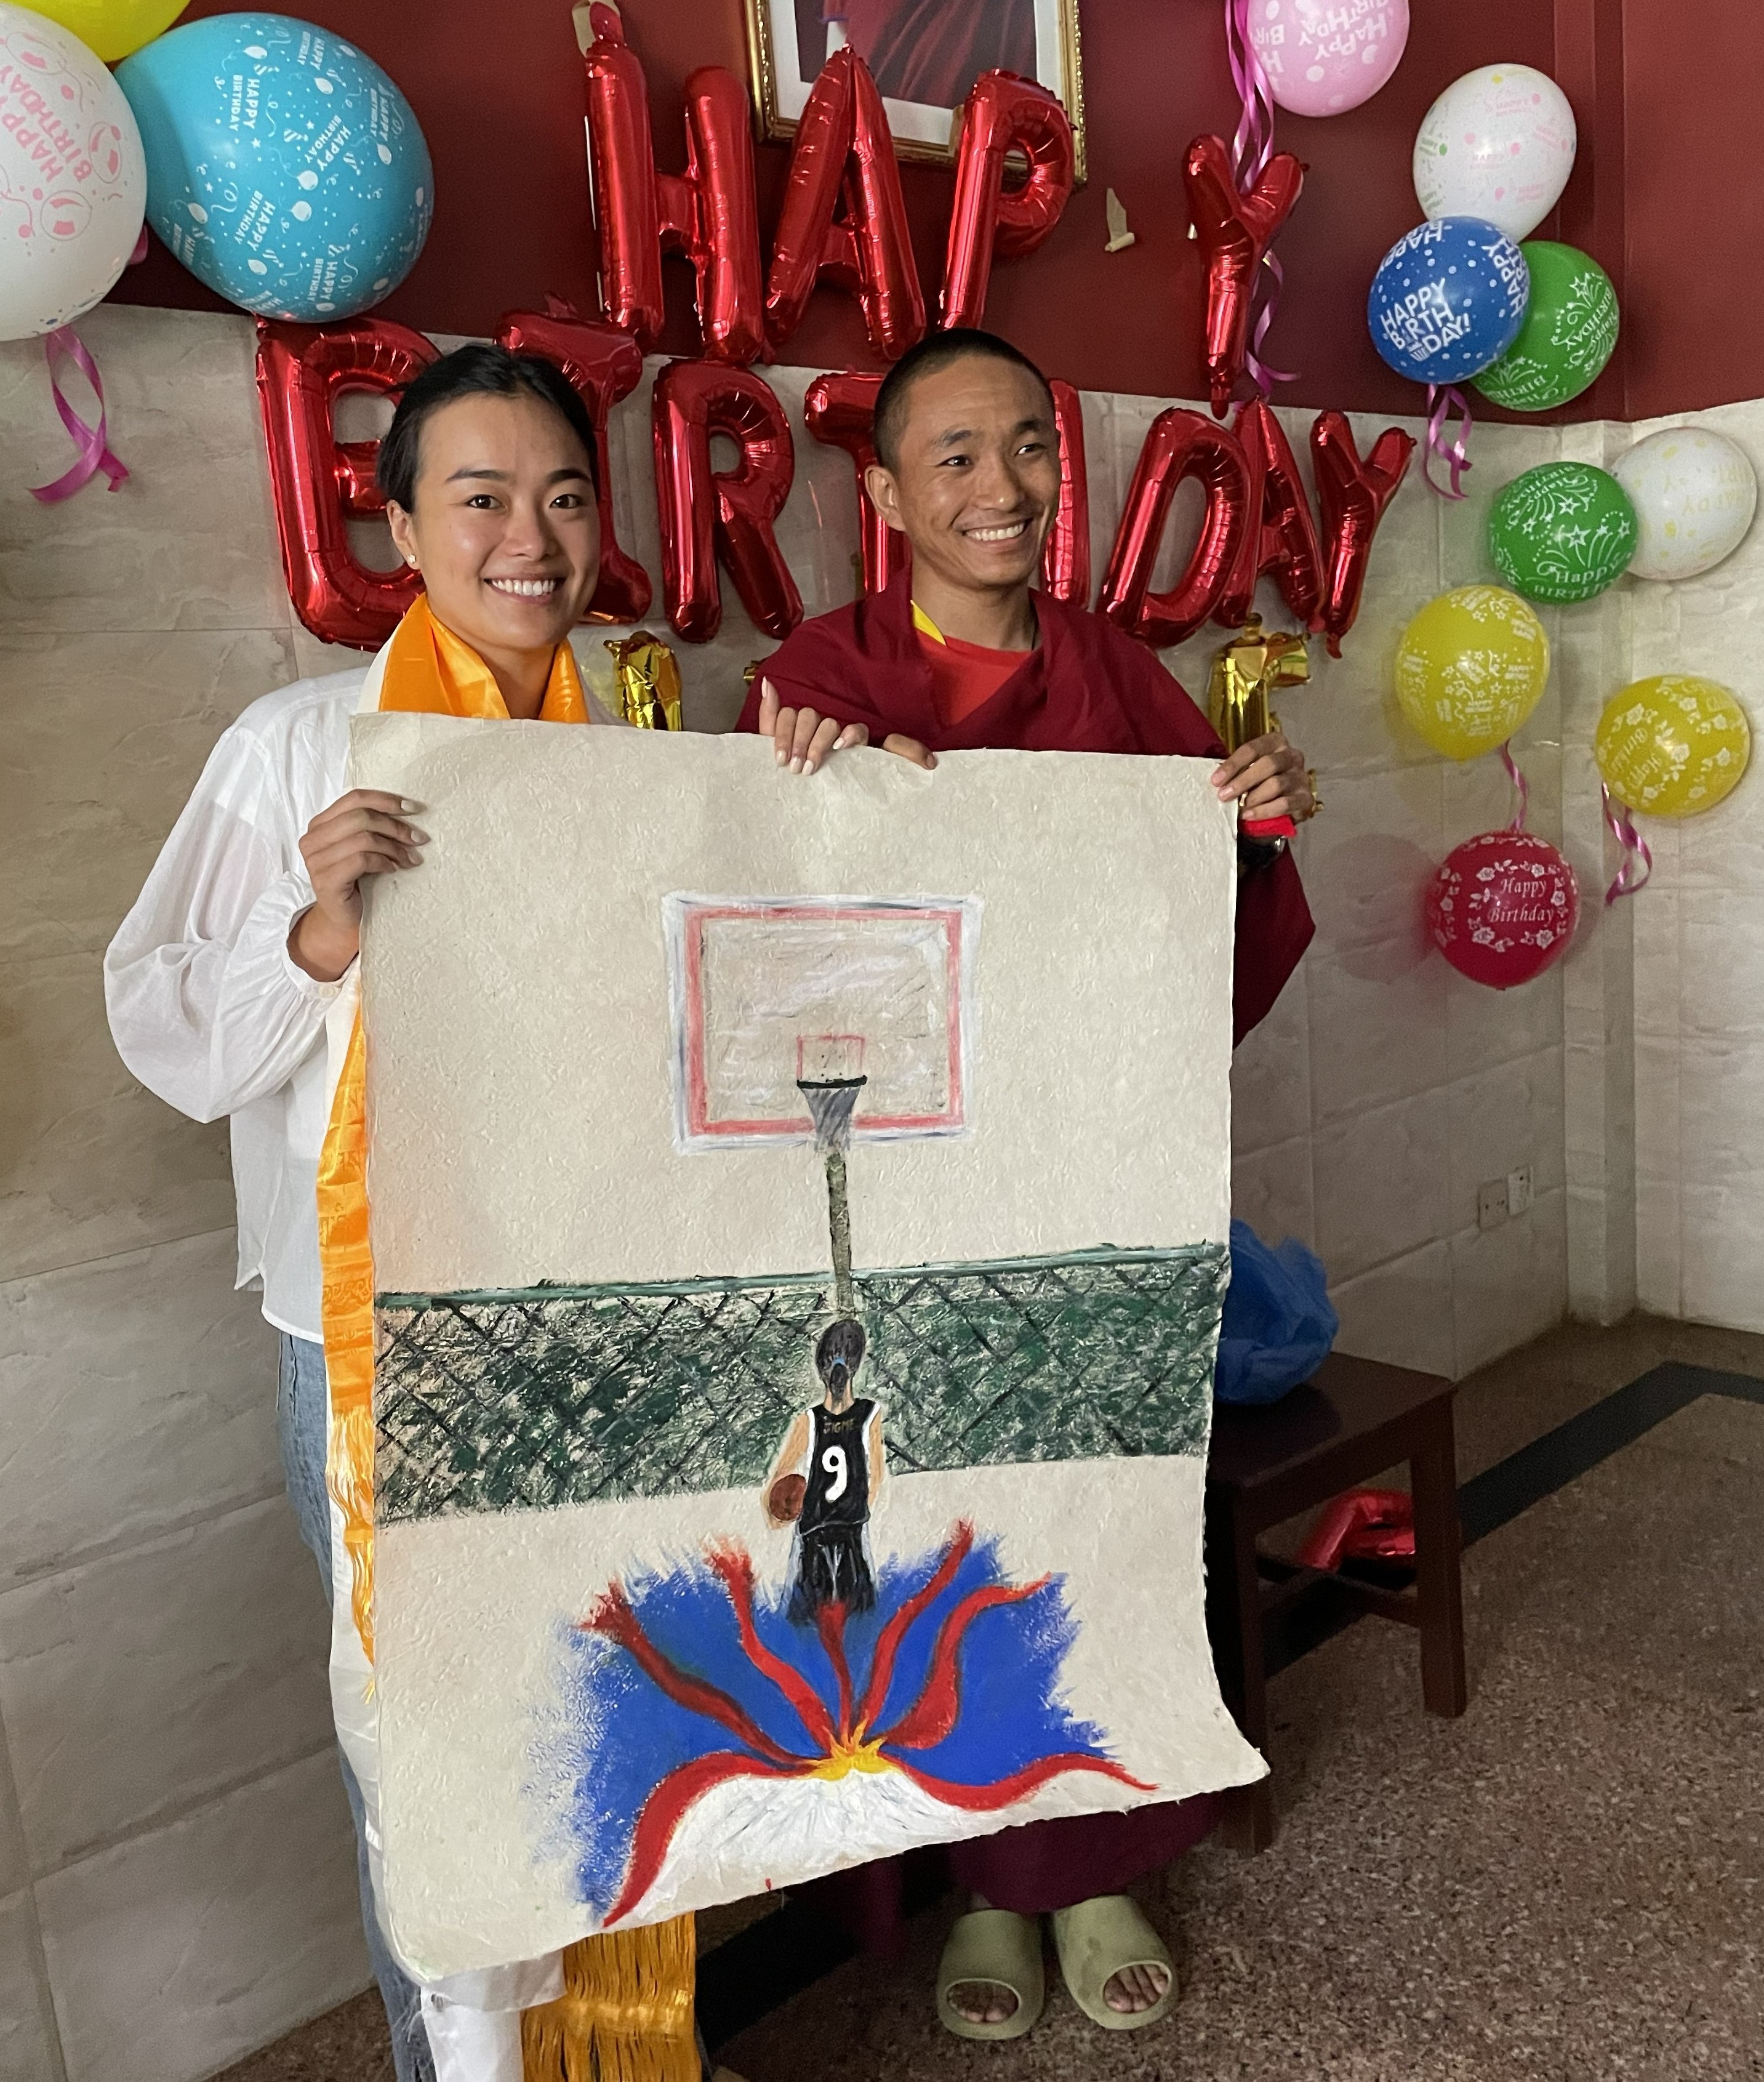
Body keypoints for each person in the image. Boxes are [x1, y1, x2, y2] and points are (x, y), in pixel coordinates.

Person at [106, 345, 793, 2082]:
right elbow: (158, 1017)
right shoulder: (295, 750)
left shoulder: (636, 748)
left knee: (605, 1692)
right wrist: (320, 937)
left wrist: (807, 789)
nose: (529, 534)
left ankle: (616, 2049)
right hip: (363, 1324)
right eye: (479, 495)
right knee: (419, 1724)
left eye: (565, 494)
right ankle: (463, 2063)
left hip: (592, 1318)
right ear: (399, 521)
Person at [736, 326, 1318, 2041]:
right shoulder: (816, 683)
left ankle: (1092, 1866)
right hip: (890, 1212)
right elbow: (750, 951)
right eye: (958, 457)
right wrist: (782, 791)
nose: (1001, 487)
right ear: (890, 491)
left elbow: (1199, 945)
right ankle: (979, 1880)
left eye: (1028, 449)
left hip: (1081, 1182)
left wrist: (1260, 826)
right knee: (917, 1543)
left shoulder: (1130, 680)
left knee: (1086, 1525)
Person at [765, 1319, 886, 1622]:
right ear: (855, 1367)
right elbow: (876, 1475)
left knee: (808, 1620)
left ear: (821, 1369)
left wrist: (780, 1511)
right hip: (852, 1529)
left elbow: (781, 1473)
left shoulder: (809, 1420)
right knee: (857, 1617)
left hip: (813, 1531)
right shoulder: (870, 1414)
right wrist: (857, 1508)